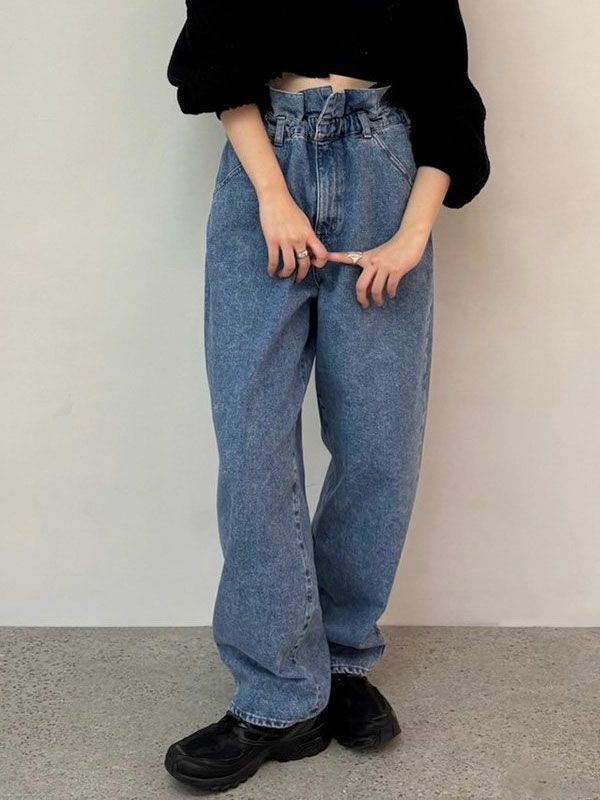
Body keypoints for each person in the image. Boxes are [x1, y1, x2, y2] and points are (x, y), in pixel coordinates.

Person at [163, 0, 490, 790]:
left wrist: (413, 232)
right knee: (253, 448)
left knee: (380, 446)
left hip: (385, 171)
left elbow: (448, 93)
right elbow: (216, 56)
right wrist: (273, 195)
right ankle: (277, 693)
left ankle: (341, 660)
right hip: (264, 167)